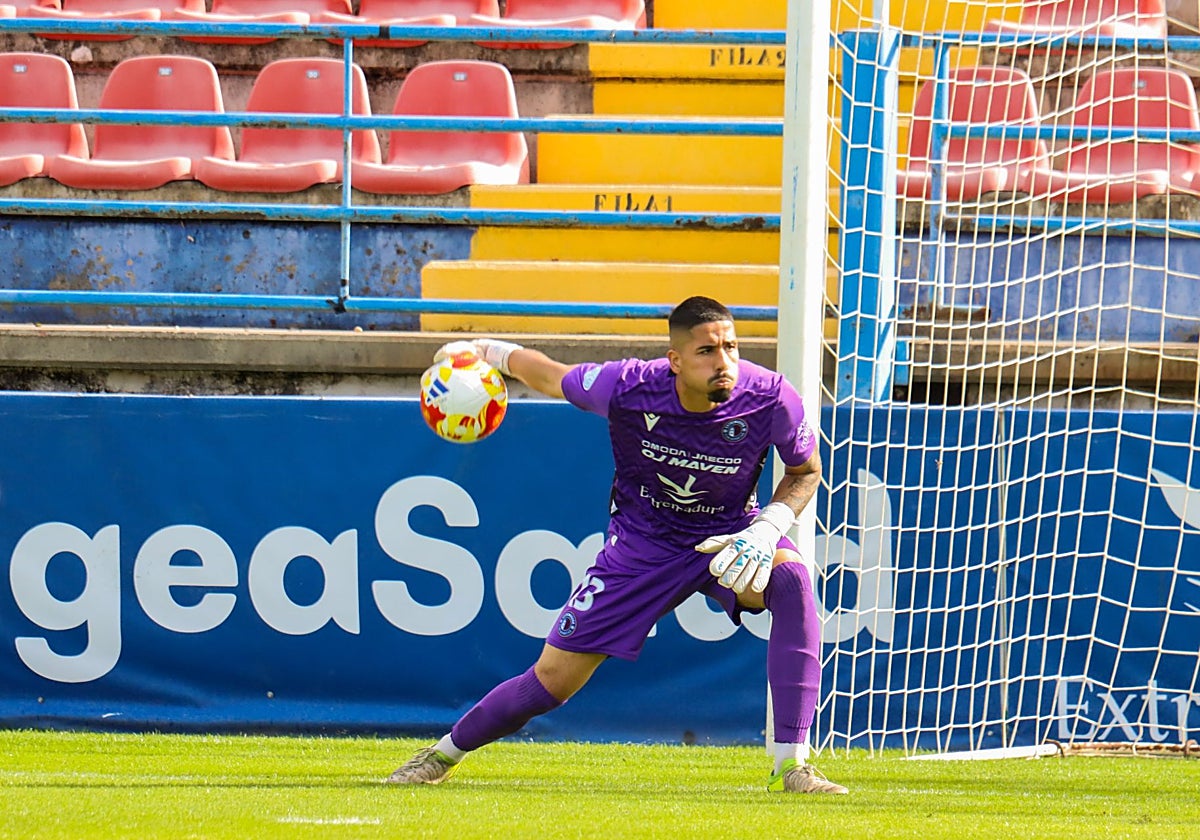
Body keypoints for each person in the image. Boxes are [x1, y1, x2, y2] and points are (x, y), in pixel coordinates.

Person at [387, 295, 846, 794]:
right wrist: (485, 349)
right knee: (550, 682)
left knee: (792, 579)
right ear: (674, 361)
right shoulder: (629, 386)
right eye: (707, 352)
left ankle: (793, 764)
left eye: (731, 348)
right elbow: (550, 376)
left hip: (728, 538)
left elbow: (805, 472)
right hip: (641, 547)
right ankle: (442, 753)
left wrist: (767, 528)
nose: (724, 363)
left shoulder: (771, 397)